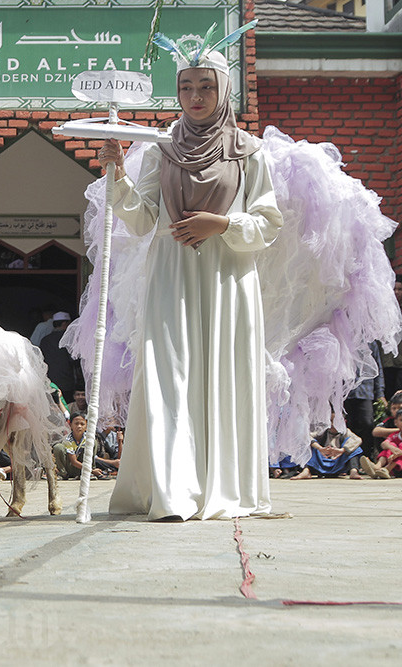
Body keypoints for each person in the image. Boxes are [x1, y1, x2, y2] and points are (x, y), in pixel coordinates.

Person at [98, 29, 283, 520]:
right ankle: (173, 493)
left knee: (223, 375)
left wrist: (220, 223)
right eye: (185, 87)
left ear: (223, 90)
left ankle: (220, 489)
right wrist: (117, 175)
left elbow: (267, 222)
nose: (195, 97)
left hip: (228, 281)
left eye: (205, 86)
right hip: (172, 276)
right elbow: (142, 219)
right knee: (167, 375)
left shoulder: (249, 152)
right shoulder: (160, 149)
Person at [344, 341, 387, 460]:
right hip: (346, 392)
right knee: (348, 426)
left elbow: (378, 369)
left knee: (367, 423)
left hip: (366, 390)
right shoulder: (342, 336)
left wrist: (380, 393)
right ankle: (351, 461)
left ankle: (365, 456)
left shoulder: (371, 342)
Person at [289, 422, 363, 480]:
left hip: (338, 462)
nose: (332, 424)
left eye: (335, 421)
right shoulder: (322, 431)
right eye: (330, 421)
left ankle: (353, 471)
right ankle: (306, 470)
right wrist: (320, 448)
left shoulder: (345, 431)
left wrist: (341, 450)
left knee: (356, 448)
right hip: (322, 460)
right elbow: (305, 436)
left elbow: (357, 440)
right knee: (306, 445)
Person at [38, 311, 82, 400]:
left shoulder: (45, 340)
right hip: (67, 382)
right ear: (64, 323)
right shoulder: (68, 340)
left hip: (50, 382)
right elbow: (74, 359)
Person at [360, 411, 402, 479]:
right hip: (396, 467)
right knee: (390, 445)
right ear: (396, 422)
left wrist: (397, 454)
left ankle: (386, 469)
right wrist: (392, 448)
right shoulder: (395, 435)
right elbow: (384, 444)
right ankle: (377, 468)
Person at [380, 277, 402, 399]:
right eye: (394, 289)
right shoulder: (382, 311)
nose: (397, 292)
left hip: (400, 363)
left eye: (400, 289)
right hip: (386, 362)